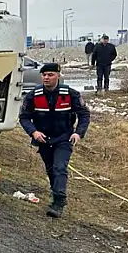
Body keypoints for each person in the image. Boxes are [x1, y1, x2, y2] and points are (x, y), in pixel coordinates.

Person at [18, 63, 91, 218]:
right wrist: (33, 132)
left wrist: (78, 133)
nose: (46, 78)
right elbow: (24, 117)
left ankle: (59, 201)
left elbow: (84, 115)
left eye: (50, 74)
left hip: (64, 138)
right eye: (44, 75)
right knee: (51, 169)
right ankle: (56, 193)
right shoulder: (33, 95)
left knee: (59, 167)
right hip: (43, 139)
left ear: (58, 75)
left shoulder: (71, 94)